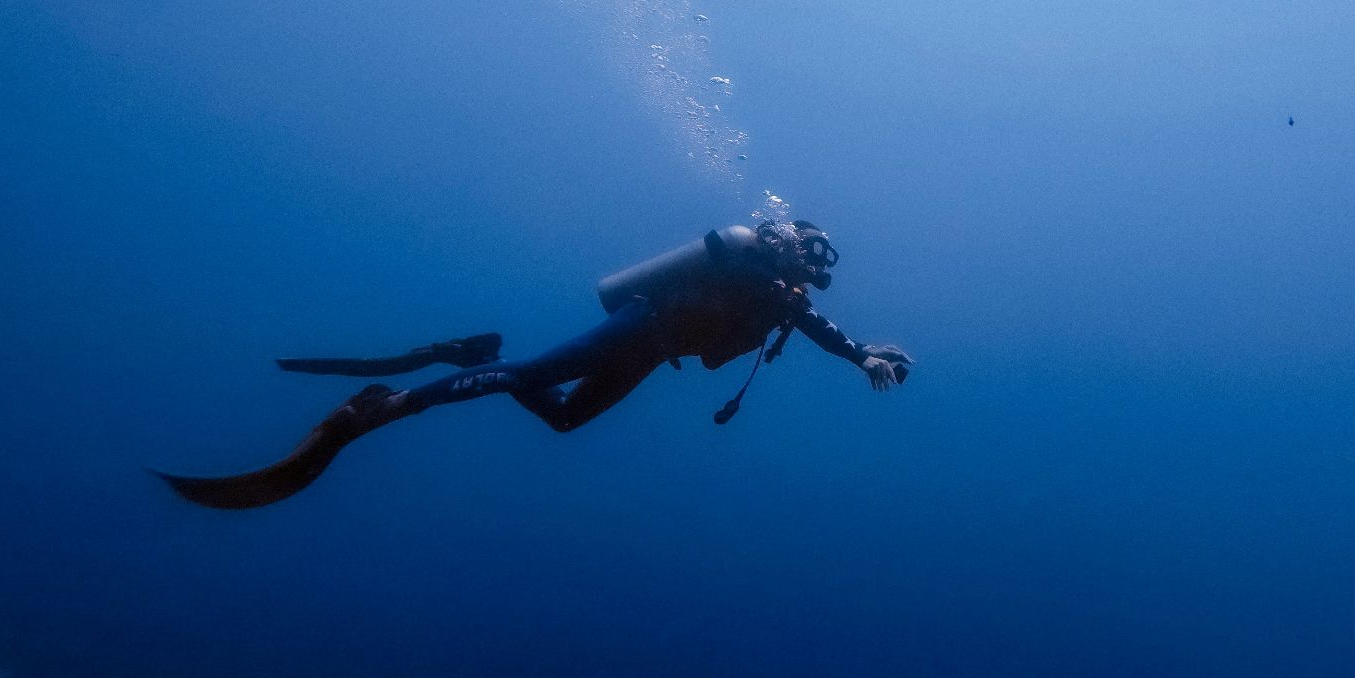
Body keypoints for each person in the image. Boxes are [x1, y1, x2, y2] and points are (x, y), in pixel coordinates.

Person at [155, 221, 913, 509]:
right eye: (802, 263)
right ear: (789, 247)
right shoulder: (753, 260)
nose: (804, 279)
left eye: (810, 273)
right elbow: (732, 257)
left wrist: (862, 357)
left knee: (560, 419)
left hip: (655, 354)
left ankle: (476, 355)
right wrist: (766, 255)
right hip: (642, 324)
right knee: (529, 380)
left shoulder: (787, 299)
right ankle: (381, 409)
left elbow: (820, 329)